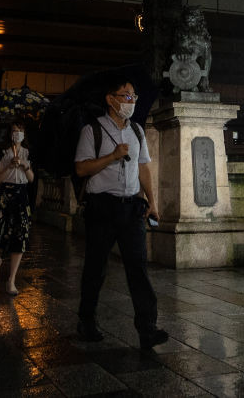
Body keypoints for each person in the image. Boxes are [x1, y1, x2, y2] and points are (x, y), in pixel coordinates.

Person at [74, 78, 168, 349]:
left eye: (133, 96)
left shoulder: (137, 130)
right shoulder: (92, 130)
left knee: (138, 268)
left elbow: (143, 167)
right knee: (96, 267)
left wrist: (152, 202)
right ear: (110, 99)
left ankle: (147, 329)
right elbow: (81, 169)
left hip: (132, 207)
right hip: (101, 207)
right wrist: (112, 156)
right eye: (125, 95)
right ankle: (87, 321)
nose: (131, 101)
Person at [0, 122, 33, 295]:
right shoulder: (3, 153)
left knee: (20, 235)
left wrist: (24, 165)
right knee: (0, 232)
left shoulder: (28, 153)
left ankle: (11, 279)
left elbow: (31, 179)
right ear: (10, 134)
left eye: (20, 130)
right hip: (5, 196)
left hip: (21, 195)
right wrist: (9, 165)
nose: (17, 133)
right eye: (15, 130)